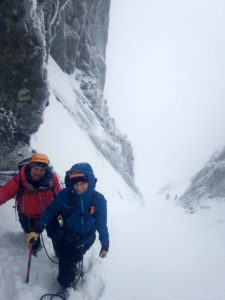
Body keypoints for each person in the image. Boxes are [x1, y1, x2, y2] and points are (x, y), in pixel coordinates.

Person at [31, 162, 109, 288]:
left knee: (65, 279)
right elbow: (50, 211)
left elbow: (101, 224)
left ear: (90, 182)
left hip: (85, 240)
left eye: (82, 183)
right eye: (75, 184)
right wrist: (38, 227)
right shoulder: (65, 195)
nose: (78, 187)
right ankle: (66, 259)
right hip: (66, 237)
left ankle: (74, 263)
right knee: (64, 271)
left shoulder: (98, 200)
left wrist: (105, 243)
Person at [0, 153, 62, 255]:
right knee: (32, 239)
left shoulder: (51, 179)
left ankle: (60, 254)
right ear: (30, 167)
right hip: (27, 216)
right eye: (36, 169)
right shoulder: (21, 178)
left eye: (42, 170)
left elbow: (59, 196)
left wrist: (61, 211)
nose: (38, 172)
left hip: (48, 214)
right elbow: (6, 191)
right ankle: (35, 250)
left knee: (56, 235)